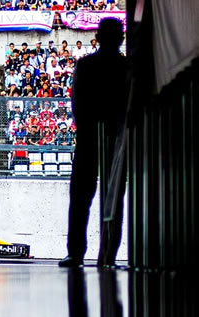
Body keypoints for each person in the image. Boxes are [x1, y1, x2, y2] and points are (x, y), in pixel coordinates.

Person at [59, 18, 127, 268]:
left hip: (89, 139)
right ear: (120, 38)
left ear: (97, 37)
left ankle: (76, 253)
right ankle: (106, 255)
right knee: (113, 199)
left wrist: (88, 127)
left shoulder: (86, 65)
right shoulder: (125, 67)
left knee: (80, 199)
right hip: (113, 138)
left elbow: (78, 103)